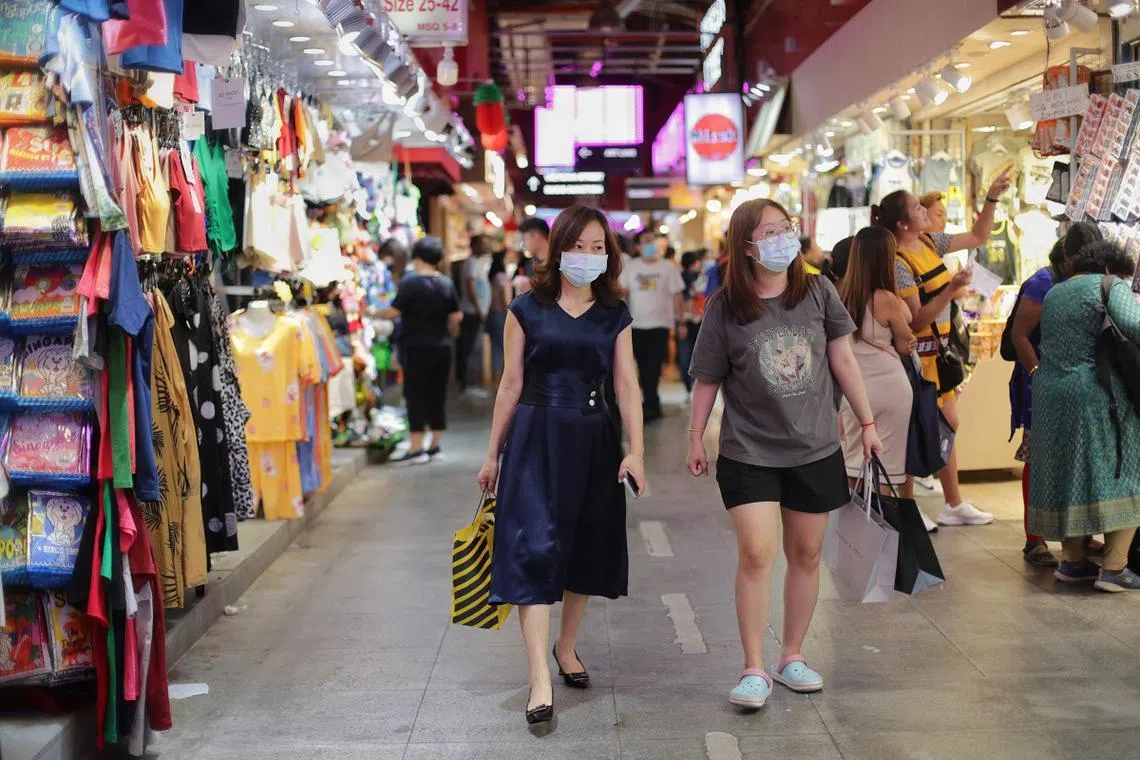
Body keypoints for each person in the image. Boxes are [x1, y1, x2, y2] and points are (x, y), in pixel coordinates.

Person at [686, 199, 882, 710]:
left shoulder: (817, 291)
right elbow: (707, 377)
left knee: (807, 554)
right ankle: (753, 666)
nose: (780, 238)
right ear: (745, 246)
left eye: (785, 228)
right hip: (748, 450)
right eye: (768, 231)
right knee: (756, 554)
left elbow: (843, 358)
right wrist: (694, 434)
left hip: (815, 446)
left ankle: (790, 655)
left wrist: (867, 421)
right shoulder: (724, 308)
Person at [477, 204, 647, 725]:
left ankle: (566, 646)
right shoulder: (526, 308)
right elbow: (510, 383)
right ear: (558, 249)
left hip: (594, 437)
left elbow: (627, 384)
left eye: (599, 247)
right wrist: (492, 454)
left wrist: (635, 449)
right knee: (534, 547)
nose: (589, 256)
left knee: (583, 547)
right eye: (579, 246)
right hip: (534, 434)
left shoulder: (615, 312)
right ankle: (538, 680)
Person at [872, 167, 1012, 526]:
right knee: (920, 427)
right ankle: (910, 505)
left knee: (944, 423)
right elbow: (915, 321)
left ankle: (951, 502)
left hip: (942, 352)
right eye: (917, 208)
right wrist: (951, 290)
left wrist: (992, 198)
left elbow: (979, 236)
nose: (925, 211)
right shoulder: (899, 263)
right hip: (919, 356)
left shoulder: (931, 242)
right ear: (903, 224)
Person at [1029, 240, 1140, 592]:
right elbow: (1135, 325)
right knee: (1125, 468)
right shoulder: (1109, 286)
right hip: (1095, 395)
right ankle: (1114, 566)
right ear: (1111, 269)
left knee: (1071, 473)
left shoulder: (1056, 292)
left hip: (1050, 396)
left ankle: (1073, 562)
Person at [1009, 224, 1101, 567]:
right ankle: (1034, 539)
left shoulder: (1076, 281)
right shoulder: (1042, 283)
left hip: (1068, 384)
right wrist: (1037, 374)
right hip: (1042, 385)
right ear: (1066, 256)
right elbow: (1020, 335)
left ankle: (1075, 535)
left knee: (1069, 457)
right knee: (1038, 456)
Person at [837, 227, 916, 489]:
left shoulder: (839, 296)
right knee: (889, 470)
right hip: (891, 389)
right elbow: (906, 339)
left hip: (853, 391)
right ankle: (886, 527)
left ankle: (851, 527)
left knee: (852, 465)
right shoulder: (888, 299)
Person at [381, 237, 461, 465]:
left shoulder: (410, 283)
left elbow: (394, 312)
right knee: (437, 394)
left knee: (415, 394)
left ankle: (416, 448)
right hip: (442, 347)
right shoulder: (446, 283)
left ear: (417, 258)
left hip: (416, 348)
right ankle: (435, 446)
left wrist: (371, 313)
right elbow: (455, 317)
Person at [621, 228, 685, 422]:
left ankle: (651, 406)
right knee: (641, 366)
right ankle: (650, 404)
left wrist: (680, 322)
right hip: (636, 325)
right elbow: (623, 292)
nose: (650, 245)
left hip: (660, 325)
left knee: (653, 366)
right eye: (646, 241)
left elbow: (677, 296)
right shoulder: (631, 267)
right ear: (638, 246)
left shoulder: (668, 267)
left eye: (652, 241)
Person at [457, 235, 492, 398]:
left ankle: (471, 383)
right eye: (483, 243)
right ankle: (468, 385)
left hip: (476, 312)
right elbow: (471, 286)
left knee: (475, 348)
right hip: (472, 313)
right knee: (471, 348)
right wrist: (479, 309)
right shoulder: (471, 263)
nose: (486, 246)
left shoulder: (478, 262)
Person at [677, 250, 708, 397]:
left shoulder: (678, 278)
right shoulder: (700, 277)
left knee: (685, 357)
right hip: (698, 321)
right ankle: (695, 388)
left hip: (683, 322)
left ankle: (689, 388)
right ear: (695, 263)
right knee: (698, 357)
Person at [486, 250, 513, 387]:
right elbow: (507, 300)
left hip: (491, 314)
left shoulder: (492, 276)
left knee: (495, 348)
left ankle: (495, 379)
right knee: (503, 349)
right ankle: (500, 381)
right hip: (501, 316)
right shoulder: (503, 277)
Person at [516, 217, 550, 295]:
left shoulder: (560, 264)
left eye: (524, 239)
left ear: (535, 236)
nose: (524, 244)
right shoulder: (528, 264)